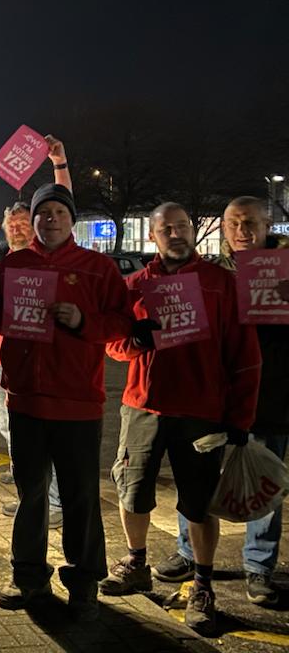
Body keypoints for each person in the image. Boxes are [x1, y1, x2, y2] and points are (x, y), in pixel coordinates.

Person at [99, 203, 260, 635]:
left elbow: (245, 356)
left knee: (198, 502)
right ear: (152, 236)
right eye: (166, 229)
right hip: (142, 407)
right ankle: (136, 562)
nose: (176, 234)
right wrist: (136, 340)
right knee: (132, 492)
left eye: (183, 226)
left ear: (192, 231)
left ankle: (202, 585)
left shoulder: (221, 284)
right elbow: (112, 345)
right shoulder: (135, 286)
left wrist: (240, 419)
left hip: (200, 412)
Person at [0, 182, 133, 620]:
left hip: (78, 402)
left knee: (80, 496)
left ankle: (84, 581)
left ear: (71, 219)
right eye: (42, 213)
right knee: (31, 496)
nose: (50, 219)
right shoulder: (15, 264)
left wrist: (85, 321)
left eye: (58, 213)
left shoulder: (97, 267)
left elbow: (122, 323)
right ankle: (28, 575)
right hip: (25, 400)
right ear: (32, 219)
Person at [153, 195, 289, 608]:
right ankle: (189, 550)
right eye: (233, 224)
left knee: (261, 482)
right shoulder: (211, 273)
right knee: (196, 476)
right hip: (210, 398)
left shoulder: (284, 271)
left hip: (271, 394)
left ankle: (259, 567)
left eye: (250, 223)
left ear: (268, 226)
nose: (242, 231)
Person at [0, 136, 73, 527]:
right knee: (10, 427)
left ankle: (53, 502)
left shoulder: (44, 257)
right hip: (7, 359)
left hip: (44, 359)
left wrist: (59, 164)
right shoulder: (7, 262)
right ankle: (31, 494)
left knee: (44, 431)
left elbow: (64, 203)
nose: (19, 229)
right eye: (13, 224)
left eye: (25, 222)